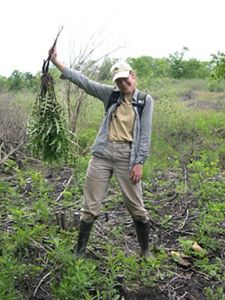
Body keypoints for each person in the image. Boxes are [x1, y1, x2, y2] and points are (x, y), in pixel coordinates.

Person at [49, 47, 154, 258]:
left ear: (132, 75)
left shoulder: (144, 101)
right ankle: (79, 252)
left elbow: (145, 135)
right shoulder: (110, 95)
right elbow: (85, 82)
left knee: (137, 208)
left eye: (125, 79)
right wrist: (57, 62)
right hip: (102, 155)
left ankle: (145, 251)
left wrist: (139, 162)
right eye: (118, 81)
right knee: (90, 206)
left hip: (128, 157)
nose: (123, 84)